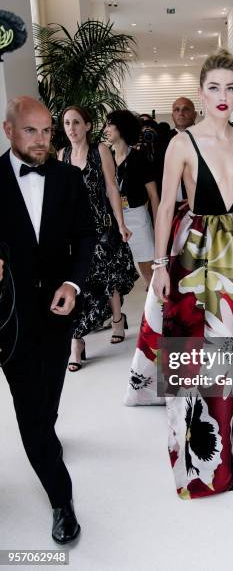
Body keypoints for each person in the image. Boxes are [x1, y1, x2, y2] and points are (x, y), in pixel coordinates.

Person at [124, 50, 233, 499]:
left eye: (230, 88)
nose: (222, 96)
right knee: (208, 348)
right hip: (201, 252)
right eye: (213, 87)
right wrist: (159, 265)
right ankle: (209, 446)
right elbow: (163, 211)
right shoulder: (182, 143)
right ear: (201, 92)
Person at [0, 96, 96, 543]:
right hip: (9, 317)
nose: (41, 142)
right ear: (8, 131)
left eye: (46, 131)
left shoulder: (69, 179)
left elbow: (86, 236)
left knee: (48, 397)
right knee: (32, 416)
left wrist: (72, 285)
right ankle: (62, 500)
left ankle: (46, 436)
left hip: (58, 313)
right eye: (30, 131)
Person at [58, 106, 137, 370]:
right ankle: (77, 340)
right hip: (75, 234)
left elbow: (112, 188)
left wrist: (122, 223)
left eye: (77, 122)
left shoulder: (99, 151)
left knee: (108, 277)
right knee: (81, 283)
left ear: (88, 126)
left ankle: (116, 320)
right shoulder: (62, 155)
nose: (72, 128)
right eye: (67, 123)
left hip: (103, 228)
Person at [104, 110, 159, 286]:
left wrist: (159, 225)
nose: (106, 129)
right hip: (114, 219)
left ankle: (160, 308)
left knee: (147, 269)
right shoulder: (106, 157)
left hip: (136, 216)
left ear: (121, 127)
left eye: (109, 124)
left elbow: (153, 195)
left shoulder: (138, 157)